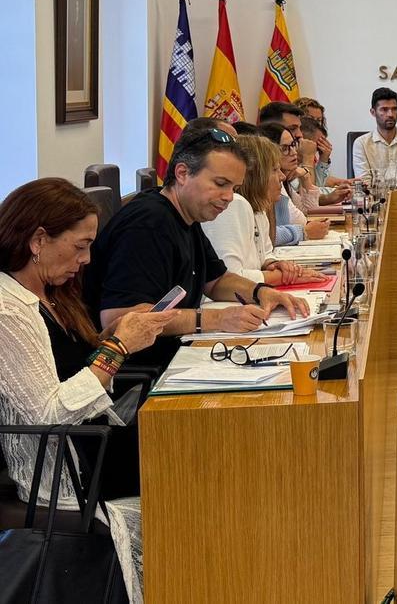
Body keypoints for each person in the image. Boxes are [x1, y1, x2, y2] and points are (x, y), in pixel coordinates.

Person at [0, 178, 176, 603]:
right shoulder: (8, 310)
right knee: (187, 470)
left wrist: (108, 341)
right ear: (38, 239)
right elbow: (48, 412)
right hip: (66, 465)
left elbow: (72, 370)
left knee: (193, 442)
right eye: (79, 246)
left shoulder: (53, 294)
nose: (87, 258)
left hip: (92, 439)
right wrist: (116, 348)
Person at [84, 124, 309, 369]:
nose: (229, 197)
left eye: (233, 188)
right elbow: (121, 317)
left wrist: (262, 292)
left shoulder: (187, 215)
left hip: (177, 358)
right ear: (182, 173)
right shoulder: (148, 222)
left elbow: (216, 281)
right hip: (142, 374)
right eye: (220, 183)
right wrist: (217, 318)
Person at [201, 135, 324, 286]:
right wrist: (283, 277)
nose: (282, 176)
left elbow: (265, 254)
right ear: (255, 175)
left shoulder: (258, 209)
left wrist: (274, 264)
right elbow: (230, 278)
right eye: (274, 170)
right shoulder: (232, 206)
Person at [260, 122, 330, 244]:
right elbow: (301, 222)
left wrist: (306, 178)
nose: (293, 152)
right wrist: (304, 232)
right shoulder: (269, 180)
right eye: (285, 148)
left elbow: (309, 212)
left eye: (293, 145)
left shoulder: (284, 178)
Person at [351, 87, 397, 185]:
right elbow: (364, 184)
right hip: (375, 199)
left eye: (394, 109)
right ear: (373, 112)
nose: (390, 114)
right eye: (384, 109)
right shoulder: (361, 144)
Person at [300, 115, 353, 190]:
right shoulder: (291, 164)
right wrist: (308, 158)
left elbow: (318, 187)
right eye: (318, 144)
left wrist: (323, 159)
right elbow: (309, 195)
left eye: (319, 120)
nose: (321, 149)